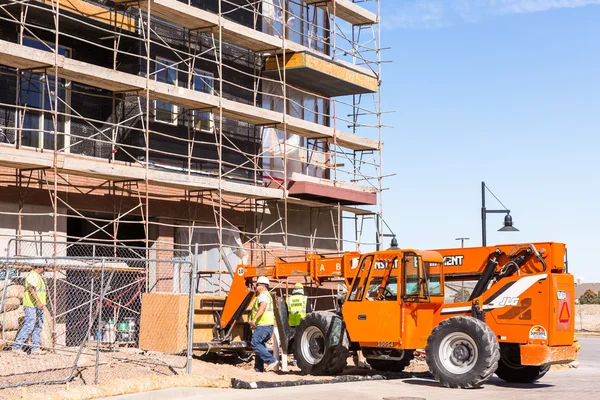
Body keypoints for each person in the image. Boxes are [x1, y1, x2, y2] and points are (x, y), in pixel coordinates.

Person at [13, 266, 47, 355]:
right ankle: (17, 346)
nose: (44, 269)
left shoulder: (38, 276)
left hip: (39, 305)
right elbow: (31, 289)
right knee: (29, 325)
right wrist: (38, 302)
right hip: (31, 305)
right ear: (39, 267)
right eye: (43, 267)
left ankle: (35, 348)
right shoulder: (32, 275)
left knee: (38, 326)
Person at [249, 276, 279, 372]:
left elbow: (262, 307)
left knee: (255, 343)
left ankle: (271, 361)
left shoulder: (262, 295)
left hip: (263, 325)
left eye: (257, 285)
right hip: (268, 326)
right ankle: (258, 368)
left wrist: (254, 319)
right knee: (260, 344)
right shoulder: (268, 295)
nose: (256, 287)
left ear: (263, 286)